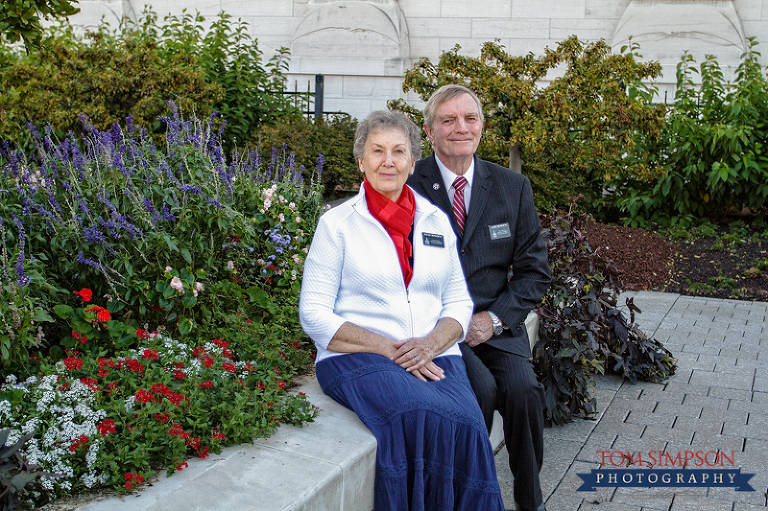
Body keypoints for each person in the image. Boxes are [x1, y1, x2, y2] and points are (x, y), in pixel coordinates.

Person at [299, 110, 506, 511]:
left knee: (470, 426)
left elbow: (459, 302)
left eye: (398, 151)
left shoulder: (436, 221)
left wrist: (429, 345)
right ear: (361, 161)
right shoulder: (338, 224)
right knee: (416, 412)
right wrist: (389, 348)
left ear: (413, 163)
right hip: (358, 357)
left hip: (432, 354)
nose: (388, 161)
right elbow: (314, 313)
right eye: (377, 151)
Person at [407, 84, 552, 511]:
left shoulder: (512, 187)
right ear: (430, 130)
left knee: (524, 392)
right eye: (448, 120)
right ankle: (472, 496)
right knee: (482, 391)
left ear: (482, 127)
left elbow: (534, 271)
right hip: (435, 326)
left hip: (495, 321)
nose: (460, 128)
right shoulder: (410, 184)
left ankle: (530, 500)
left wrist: (494, 320)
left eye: (469, 118)